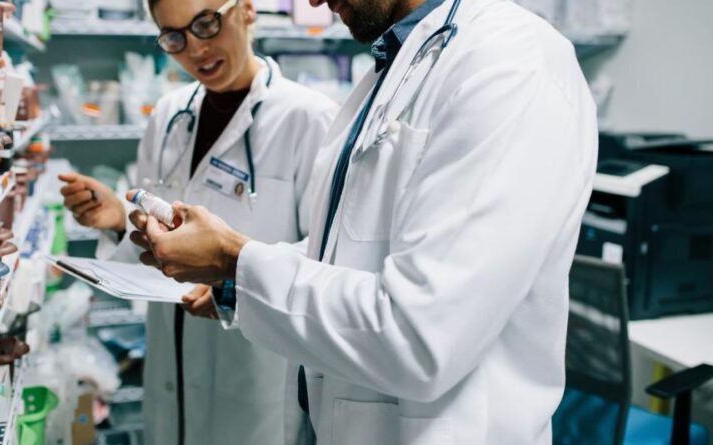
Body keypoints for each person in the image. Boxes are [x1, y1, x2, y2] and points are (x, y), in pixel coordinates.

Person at [128, 0, 599, 443]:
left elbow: (421, 337)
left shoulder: (509, 64)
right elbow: (352, 254)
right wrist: (230, 271)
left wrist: (235, 258)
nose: (312, 2)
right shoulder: (400, 66)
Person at [58, 0, 338, 442]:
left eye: (206, 23)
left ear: (246, 10)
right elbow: (155, 233)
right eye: (174, 37)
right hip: (171, 373)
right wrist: (116, 221)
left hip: (255, 380)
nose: (195, 49)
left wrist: (234, 281)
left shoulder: (310, 120)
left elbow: (325, 260)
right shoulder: (169, 115)